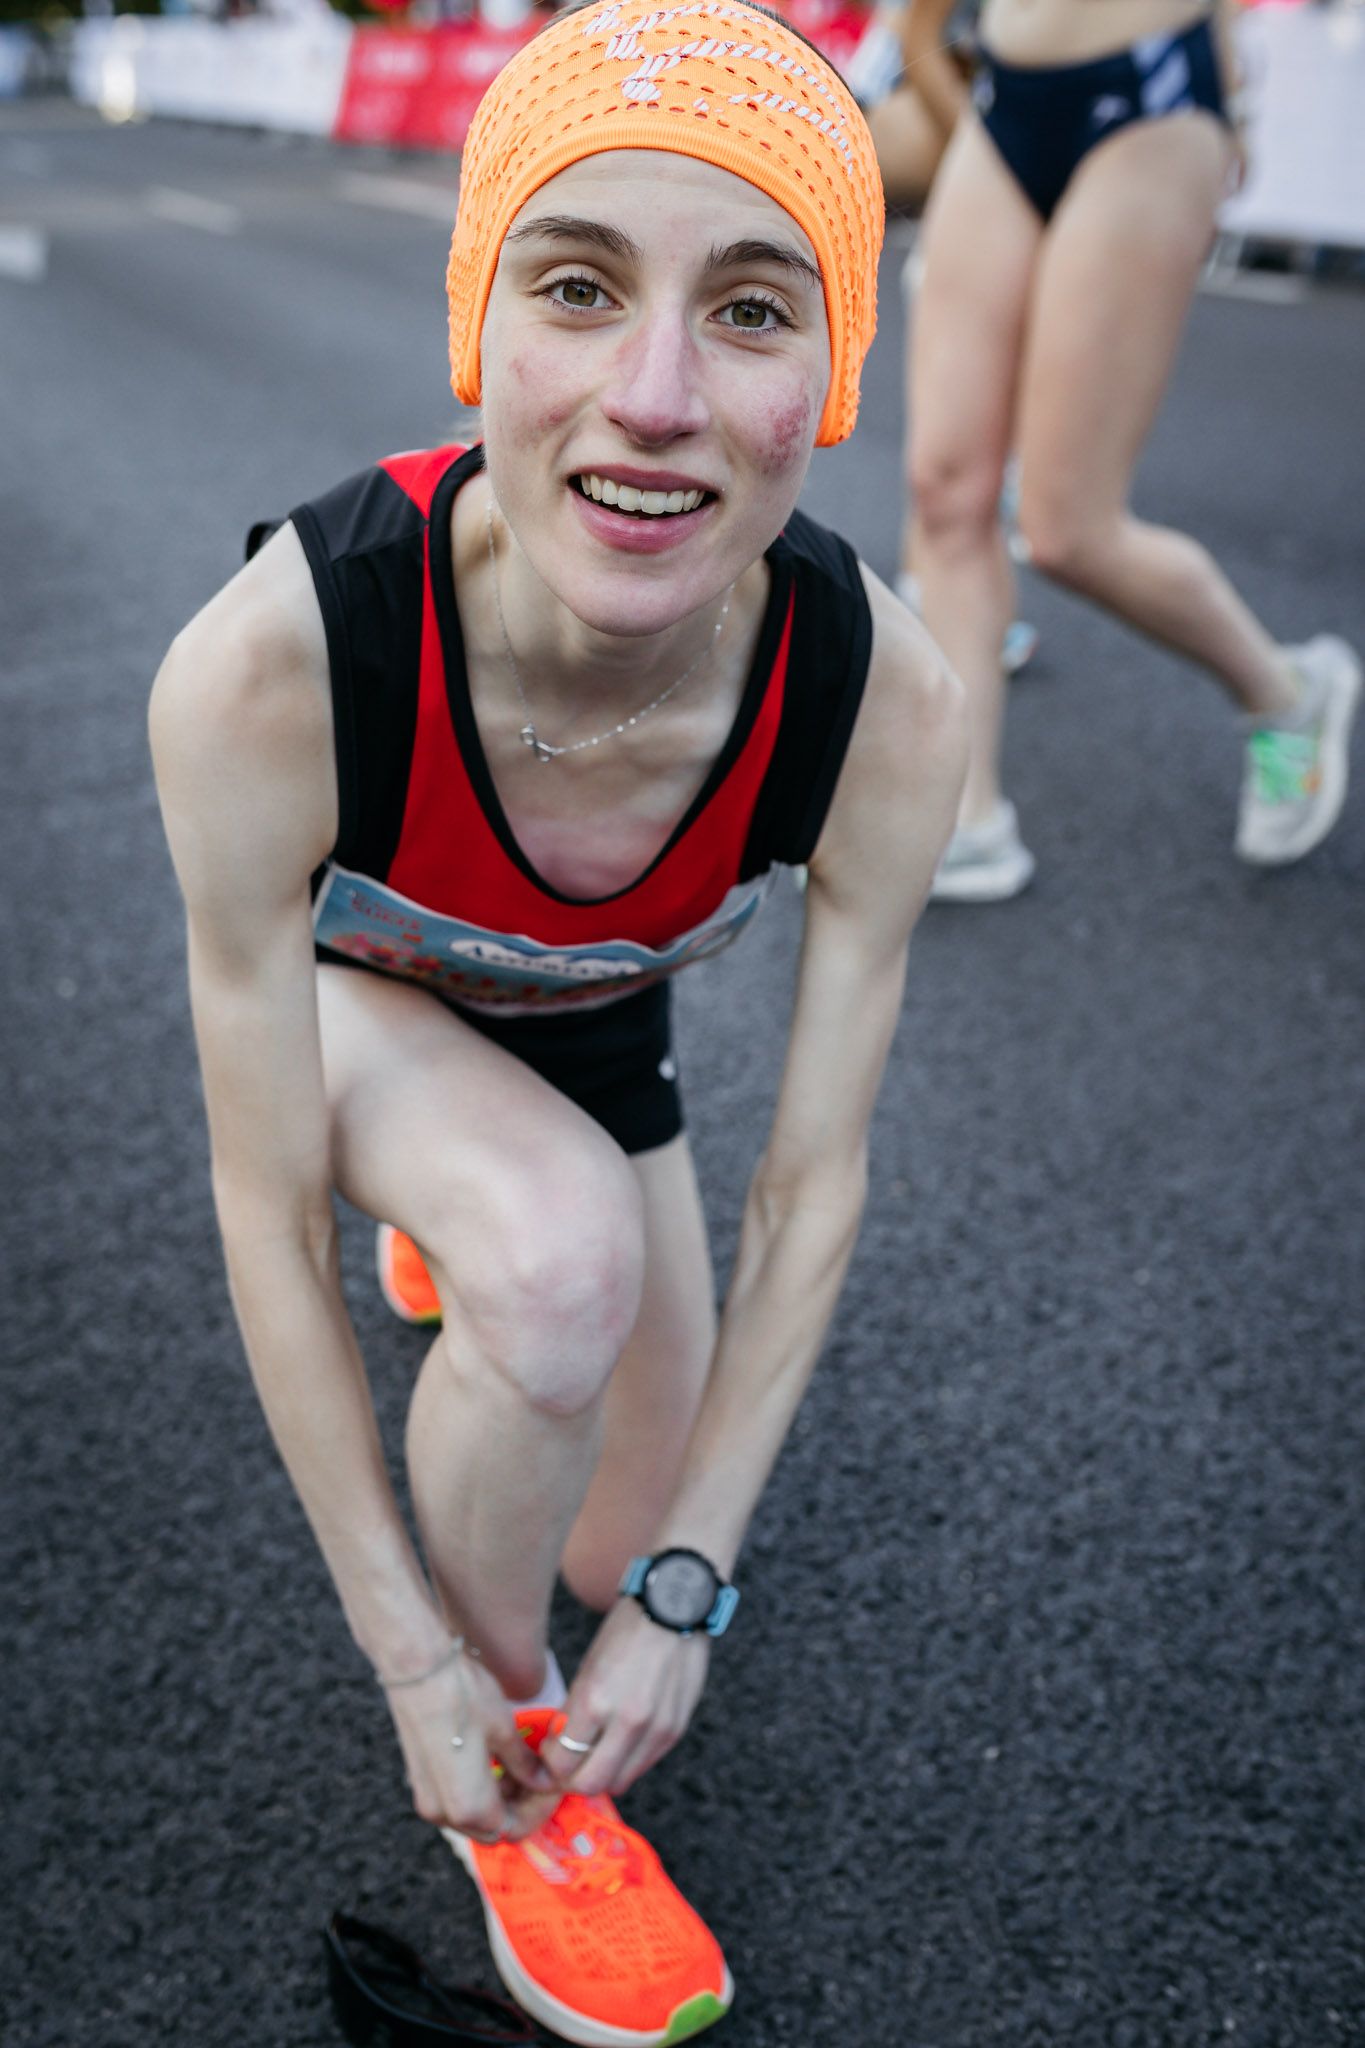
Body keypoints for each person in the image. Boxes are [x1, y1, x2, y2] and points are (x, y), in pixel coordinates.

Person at [149, 7, 965, 2043]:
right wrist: (425, 1661)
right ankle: (526, 1794)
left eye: (751, 309)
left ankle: (488, 1239)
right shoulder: (270, 664)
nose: (655, 398)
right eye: (578, 286)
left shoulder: (884, 698)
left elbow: (812, 1184)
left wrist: (684, 1586)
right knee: (559, 1263)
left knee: (614, 1526)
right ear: (476, 321)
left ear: (832, 374)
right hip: (358, 1018)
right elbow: (263, 1207)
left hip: (600, 1040)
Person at [902, 0, 1361, 900]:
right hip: (1006, 91)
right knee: (945, 492)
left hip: (1148, 90)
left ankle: (1283, 690)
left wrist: (1231, 92)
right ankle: (966, 818)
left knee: (1068, 530)